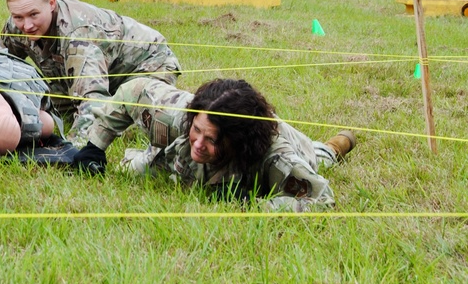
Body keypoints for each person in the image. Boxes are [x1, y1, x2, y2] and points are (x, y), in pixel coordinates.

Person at [72, 77, 356, 212]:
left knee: (319, 156)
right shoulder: (178, 113)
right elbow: (130, 92)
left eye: (212, 140)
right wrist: (95, 146)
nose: (198, 143)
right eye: (197, 130)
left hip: (296, 149)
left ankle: (333, 146)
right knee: (131, 171)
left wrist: (254, 205)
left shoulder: (276, 157)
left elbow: (321, 200)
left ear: (238, 141)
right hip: (179, 164)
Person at [0, 0, 181, 143]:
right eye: (18, 17)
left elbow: (93, 101)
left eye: (33, 15)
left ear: (52, 3)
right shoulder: (16, 25)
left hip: (148, 66)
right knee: (53, 113)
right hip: (99, 72)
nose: (27, 25)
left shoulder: (78, 34)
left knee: (121, 120)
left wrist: (71, 149)